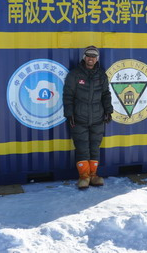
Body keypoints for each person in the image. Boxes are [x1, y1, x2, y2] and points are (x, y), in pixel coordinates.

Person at [63, 45, 113, 189]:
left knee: (95, 147)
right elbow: (68, 95)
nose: (91, 59)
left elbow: (105, 94)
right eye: (88, 56)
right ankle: (84, 176)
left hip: (98, 118)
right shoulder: (74, 75)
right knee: (82, 147)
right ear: (84, 57)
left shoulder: (101, 75)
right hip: (79, 118)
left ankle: (93, 175)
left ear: (97, 58)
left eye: (93, 56)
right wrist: (69, 114)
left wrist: (108, 110)